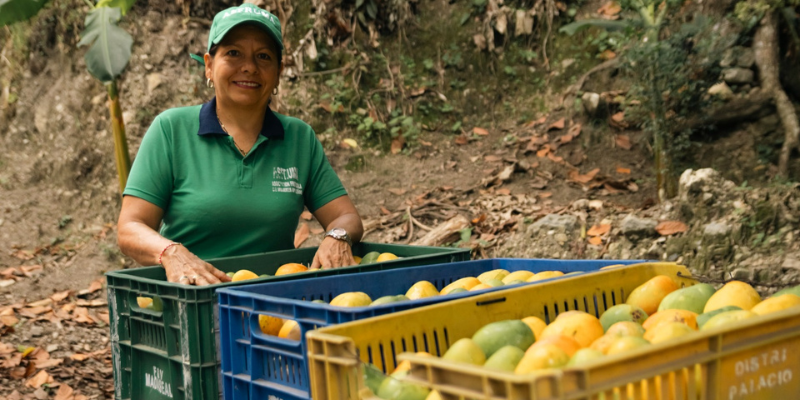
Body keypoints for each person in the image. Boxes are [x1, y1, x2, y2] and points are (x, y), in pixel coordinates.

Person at [117, 3, 363, 286]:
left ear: (279, 71)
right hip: (193, 299)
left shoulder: (298, 138)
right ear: (209, 65)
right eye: (233, 53)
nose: (249, 67)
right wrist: (170, 252)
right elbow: (129, 228)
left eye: (263, 56)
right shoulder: (171, 130)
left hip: (276, 304)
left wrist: (337, 237)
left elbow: (346, 216)